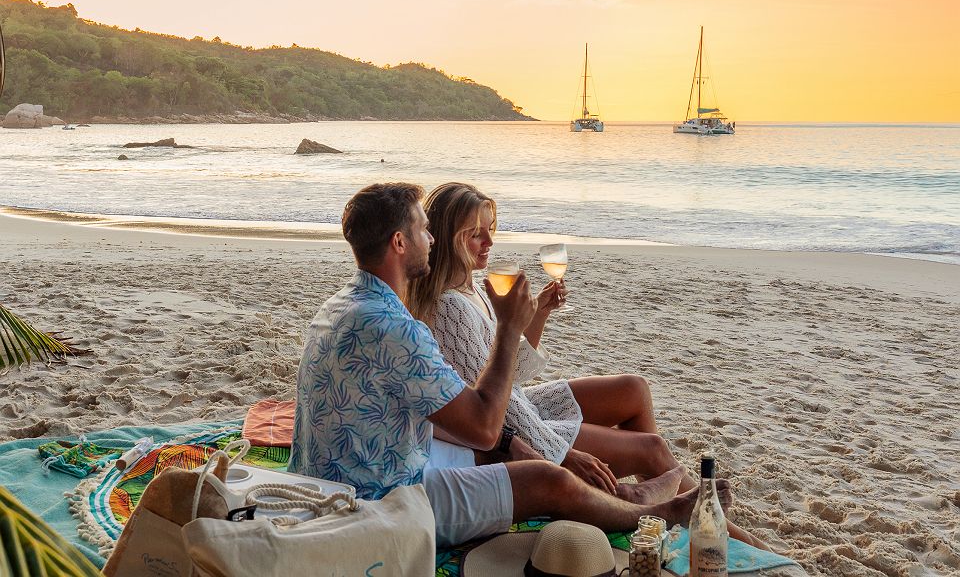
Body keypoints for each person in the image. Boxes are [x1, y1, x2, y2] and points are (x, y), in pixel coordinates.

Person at [288, 182, 720, 548]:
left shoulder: (344, 305)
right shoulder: (395, 327)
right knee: (548, 479)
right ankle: (657, 513)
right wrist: (510, 328)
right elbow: (483, 426)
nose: (432, 239)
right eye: (423, 230)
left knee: (508, 451)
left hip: (338, 474)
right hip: (377, 499)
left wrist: (509, 437)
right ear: (399, 243)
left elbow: (444, 411)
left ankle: (634, 496)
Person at [406, 182, 767, 548]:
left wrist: (538, 315)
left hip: (519, 405)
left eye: (490, 231)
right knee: (652, 448)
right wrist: (561, 454)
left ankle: (644, 500)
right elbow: (495, 407)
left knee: (633, 389)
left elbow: (509, 374)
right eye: (474, 235)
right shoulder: (449, 308)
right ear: (447, 238)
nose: (489, 242)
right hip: (513, 423)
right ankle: (730, 536)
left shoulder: (473, 290)